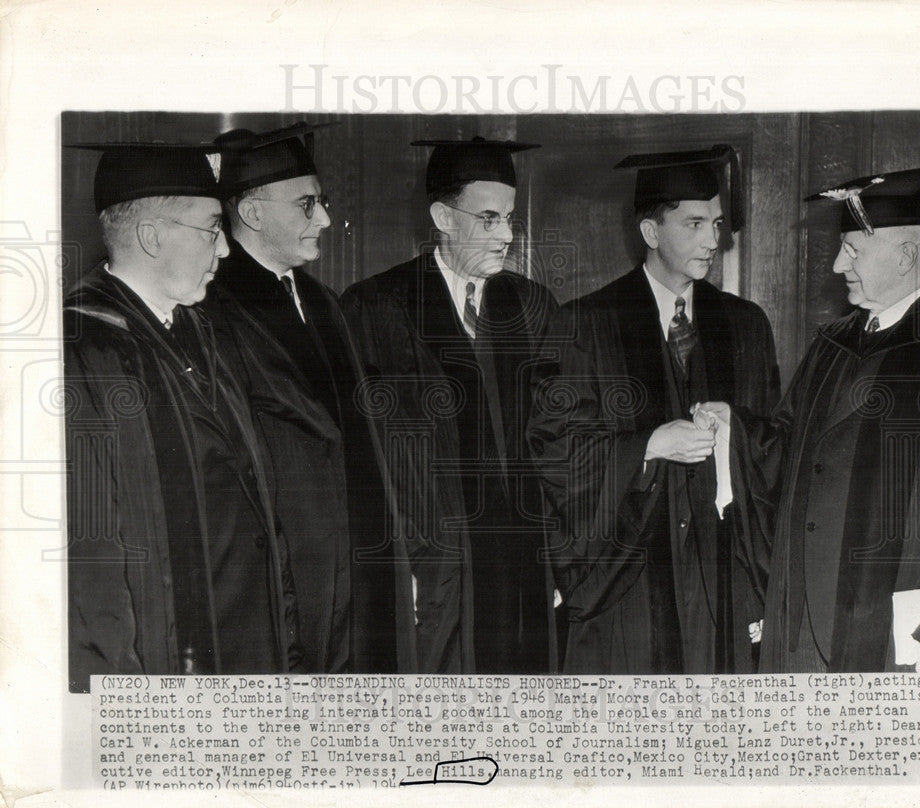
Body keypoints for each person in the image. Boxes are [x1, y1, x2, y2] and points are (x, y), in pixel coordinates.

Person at [708, 164, 920, 681]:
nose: (836, 265)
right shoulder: (831, 342)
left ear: (905, 255)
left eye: (852, 250)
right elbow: (786, 450)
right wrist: (735, 429)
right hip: (801, 621)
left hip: (899, 637)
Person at [526, 146, 780, 674]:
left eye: (716, 222)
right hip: (627, 582)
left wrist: (736, 431)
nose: (713, 239)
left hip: (720, 578)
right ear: (650, 231)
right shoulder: (586, 324)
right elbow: (553, 452)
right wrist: (646, 444)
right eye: (694, 223)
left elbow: (776, 445)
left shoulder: (745, 325)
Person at [64, 142, 299, 692]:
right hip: (169, 661)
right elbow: (95, 558)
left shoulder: (202, 331)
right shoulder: (83, 350)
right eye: (212, 229)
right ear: (152, 236)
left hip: (245, 648)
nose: (224, 250)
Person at [341, 137, 556, 673]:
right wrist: (392, 567)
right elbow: (359, 460)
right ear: (442, 216)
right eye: (487, 218)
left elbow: (561, 439)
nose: (505, 235)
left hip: (525, 563)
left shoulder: (531, 306)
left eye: (509, 219)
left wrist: (561, 558)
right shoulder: (375, 308)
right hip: (433, 567)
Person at [202, 123, 401, 673]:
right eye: (307, 204)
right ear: (254, 212)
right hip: (284, 573)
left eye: (324, 202)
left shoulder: (322, 300)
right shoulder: (212, 306)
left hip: (354, 563)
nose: (327, 219)